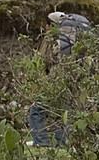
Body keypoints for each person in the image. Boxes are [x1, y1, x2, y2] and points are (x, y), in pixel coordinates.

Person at [28, 9, 90, 146]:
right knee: (61, 112)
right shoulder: (74, 39)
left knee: (36, 111)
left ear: (51, 25)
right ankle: (61, 143)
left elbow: (45, 60)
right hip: (73, 78)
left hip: (55, 79)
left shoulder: (52, 39)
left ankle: (41, 142)